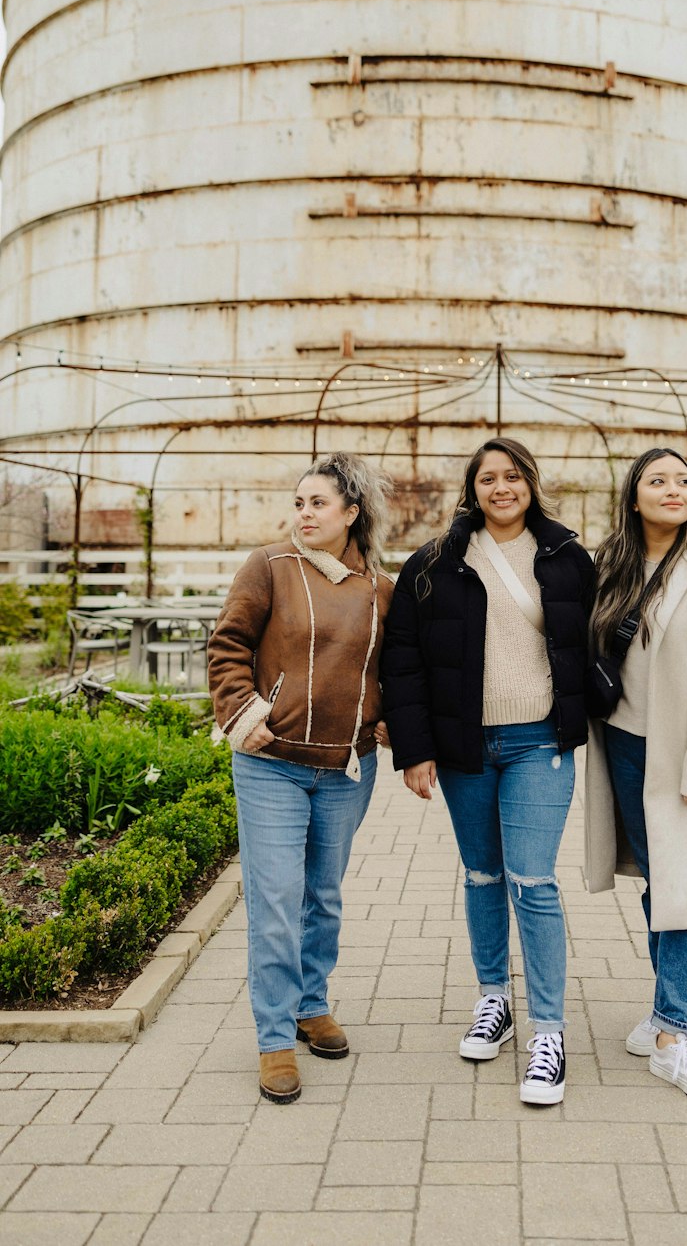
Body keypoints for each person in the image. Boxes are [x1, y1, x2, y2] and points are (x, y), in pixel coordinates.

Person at [382, 438, 595, 1105]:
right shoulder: (434, 563)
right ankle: (494, 999)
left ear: (531, 482)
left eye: (513, 476)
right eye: (488, 478)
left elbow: (598, 638)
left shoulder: (567, 558)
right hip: (463, 746)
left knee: (532, 879)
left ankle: (549, 1034)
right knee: (482, 873)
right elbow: (404, 659)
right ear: (472, 490)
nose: (502, 487)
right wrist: (414, 749)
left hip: (540, 743)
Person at [208, 453, 394, 1104]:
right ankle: (274, 1039)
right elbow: (226, 644)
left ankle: (311, 1003)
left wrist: (389, 720)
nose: (304, 514)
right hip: (270, 764)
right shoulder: (269, 567)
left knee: (324, 894)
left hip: (346, 770)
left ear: (352, 513)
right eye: (300, 502)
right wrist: (239, 712)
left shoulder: (380, 589)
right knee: (277, 896)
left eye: (319, 503)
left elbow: (388, 669)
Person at [584, 446, 687, 1103]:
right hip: (624, 746)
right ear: (634, 495)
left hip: (685, 755)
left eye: (683, 480)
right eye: (658, 479)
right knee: (660, 884)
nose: (673, 489)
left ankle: (675, 1035)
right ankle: (661, 1013)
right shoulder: (611, 566)